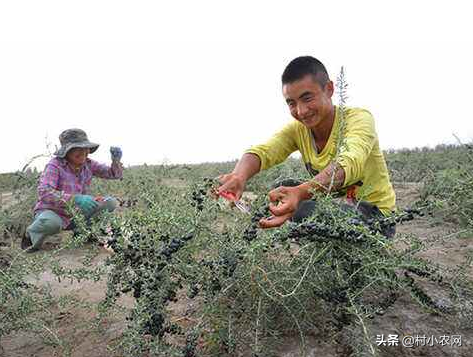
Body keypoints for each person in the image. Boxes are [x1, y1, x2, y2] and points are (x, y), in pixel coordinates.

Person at [218, 56, 396, 237]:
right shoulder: (298, 129)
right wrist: (238, 176)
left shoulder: (359, 119)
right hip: (336, 207)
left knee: (304, 209)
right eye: (291, 103)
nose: (301, 111)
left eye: (307, 98)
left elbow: (348, 163)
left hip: (376, 218)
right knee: (282, 189)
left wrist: (301, 192)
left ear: (329, 89)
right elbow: (264, 151)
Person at [21, 128, 124, 251]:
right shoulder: (55, 165)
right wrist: (75, 199)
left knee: (109, 202)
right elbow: (45, 192)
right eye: (78, 149)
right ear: (67, 151)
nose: (83, 152)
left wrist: (116, 161)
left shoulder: (88, 164)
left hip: (76, 213)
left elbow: (113, 174)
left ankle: (82, 234)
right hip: (53, 212)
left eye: (85, 148)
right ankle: (30, 236)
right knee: (51, 223)